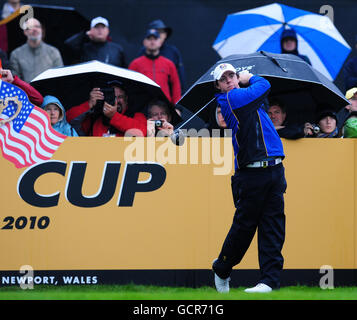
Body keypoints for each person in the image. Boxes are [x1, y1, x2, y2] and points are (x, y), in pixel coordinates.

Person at [211, 64, 287, 293]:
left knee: (273, 227)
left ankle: (269, 282)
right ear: (218, 86)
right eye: (224, 79)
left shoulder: (250, 101)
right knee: (244, 228)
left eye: (232, 75)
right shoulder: (229, 100)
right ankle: (222, 268)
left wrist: (249, 83)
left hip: (274, 168)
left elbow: (260, 97)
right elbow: (264, 85)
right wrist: (250, 76)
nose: (230, 80)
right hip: (250, 173)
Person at [66, 82, 147, 137]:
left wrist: (114, 116)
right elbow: (68, 121)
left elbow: (142, 132)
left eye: (120, 97)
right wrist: (88, 105)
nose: (116, 101)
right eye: (112, 97)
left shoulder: (136, 116)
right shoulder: (95, 117)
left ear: (126, 99)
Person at [129, 29, 181, 105]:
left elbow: (176, 86)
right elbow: (129, 87)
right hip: (143, 106)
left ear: (160, 42)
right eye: (149, 39)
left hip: (165, 106)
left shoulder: (169, 64)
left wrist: (177, 106)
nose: (152, 42)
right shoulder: (135, 64)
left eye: (155, 39)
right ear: (144, 42)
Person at [137, 19, 186, 92]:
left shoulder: (173, 52)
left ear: (166, 35)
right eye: (156, 31)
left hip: (167, 96)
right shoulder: (143, 52)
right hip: (146, 94)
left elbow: (179, 78)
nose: (159, 34)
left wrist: (179, 96)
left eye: (162, 32)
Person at [9, 18, 63, 82]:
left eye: (37, 26)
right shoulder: (16, 54)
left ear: (41, 30)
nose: (34, 29)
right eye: (31, 27)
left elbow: (60, 78)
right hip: (26, 91)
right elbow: (16, 81)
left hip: (49, 91)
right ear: (25, 31)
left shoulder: (53, 52)